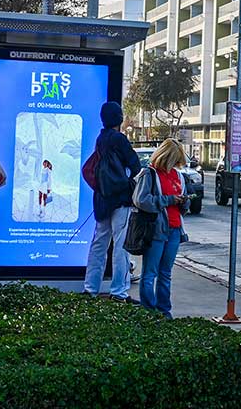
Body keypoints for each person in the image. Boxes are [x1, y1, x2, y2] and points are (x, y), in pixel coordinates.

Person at [83, 101, 141, 300]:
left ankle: (91, 288)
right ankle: (119, 291)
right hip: (121, 198)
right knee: (120, 245)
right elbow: (136, 166)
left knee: (99, 242)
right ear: (120, 118)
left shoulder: (101, 139)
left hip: (101, 198)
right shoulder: (120, 139)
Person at [132, 138, 191, 318]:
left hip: (174, 228)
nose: (176, 165)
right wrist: (168, 200)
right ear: (167, 157)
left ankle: (164, 310)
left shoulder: (178, 176)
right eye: (174, 160)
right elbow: (141, 200)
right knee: (150, 273)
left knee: (166, 273)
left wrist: (184, 202)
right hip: (156, 229)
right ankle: (149, 310)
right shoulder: (149, 174)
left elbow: (183, 200)